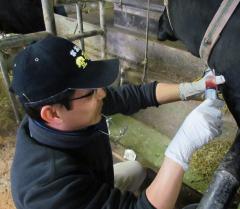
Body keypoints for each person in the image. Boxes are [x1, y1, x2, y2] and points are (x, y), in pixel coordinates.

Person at [9, 35, 225, 209]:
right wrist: (182, 146)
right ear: (52, 114)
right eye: (91, 91)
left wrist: (191, 89)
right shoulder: (48, 188)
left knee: (136, 171)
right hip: (77, 196)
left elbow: (135, 95)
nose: (102, 93)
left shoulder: (63, 116)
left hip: (93, 181)